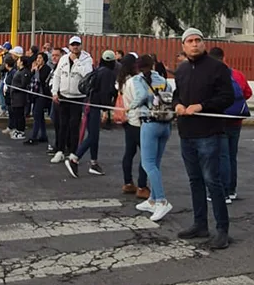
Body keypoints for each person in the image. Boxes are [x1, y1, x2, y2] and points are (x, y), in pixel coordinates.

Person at [174, 28, 235, 249]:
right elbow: (176, 95)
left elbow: (228, 97)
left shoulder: (217, 68)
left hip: (209, 133)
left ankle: (222, 230)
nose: (194, 44)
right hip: (186, 133)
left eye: (198, 40)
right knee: (195, 180)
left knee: (212, 181)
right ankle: (200, 224)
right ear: (183, 46)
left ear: (203, 43)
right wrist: (177, 105)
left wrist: (202, 106)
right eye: (190, 41)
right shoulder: (181, 71)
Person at [128, 55, 175, 222]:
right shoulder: (161, 79)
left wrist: (130, 107)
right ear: (153, 65)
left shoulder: (137, 80)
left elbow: (140, 96)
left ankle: (161, 200)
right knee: (156, 163)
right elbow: (169, 94)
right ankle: (152, 199)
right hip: (165, 124)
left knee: (148, 164)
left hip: (149, 123)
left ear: (138, 67)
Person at [208, 47, 252, 201]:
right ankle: (232, 190)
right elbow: (248, 93)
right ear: (224, 57)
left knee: (222, 156)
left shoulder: (214, 75)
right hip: (237, 120)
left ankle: (224, 192)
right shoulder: (237, 74)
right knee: (232, 156)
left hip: (221, 120)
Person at [65, 50, 118, 177]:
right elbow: (105, 93)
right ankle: (75, 158)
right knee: (93, 136)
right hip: (95, 106)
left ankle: (94, 163)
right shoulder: (108, 73)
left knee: (94, 135)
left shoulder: (99, 70)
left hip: (89, 103)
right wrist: (106, 110)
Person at [50, 36, 93, 164]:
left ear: (81, 45)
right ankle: (60, 151)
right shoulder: (63, 59)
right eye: (73, 44)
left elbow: (87, 74)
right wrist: (54, 92)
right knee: (62, 124)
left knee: (74, 125)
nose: (75, 47)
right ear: (69, 46)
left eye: (77, 44)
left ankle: (73, 151)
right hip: (63, 96)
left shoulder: (86, 59)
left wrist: (76, 62)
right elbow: (57, 75)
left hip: (77, 97)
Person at [119, 54, 149, 199]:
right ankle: (142, 186)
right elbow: (142, 97)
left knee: (129, 152)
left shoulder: (121, 81)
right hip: (139, 119)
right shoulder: (135, 81)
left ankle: (128, 182)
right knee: (145, 154)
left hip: (128, 119)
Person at [26, 52, 52, 145]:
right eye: (37, 58)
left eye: (40, 58)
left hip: (42, 95)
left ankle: (34, 136)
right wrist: (33, 70)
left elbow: (41, 80)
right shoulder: (36, 68)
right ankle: (43, 135)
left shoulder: (46, 69)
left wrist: (36, 71)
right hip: (35, 94)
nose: (38, 60)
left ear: (44, 60)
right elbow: (29, 78)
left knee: (36, 115)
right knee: (40, 116)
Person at [10, 56, 31, 141]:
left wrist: (14, 87)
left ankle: (21, 130)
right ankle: (17, 129)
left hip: (20, 97)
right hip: (15, 97)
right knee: (16, 113)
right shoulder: (19, 71)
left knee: (20, 114)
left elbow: (24, 84)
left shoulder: (25, 72)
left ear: (22, 62)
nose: (17, 62)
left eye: (19, 60)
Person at [47, 47, 64, 156]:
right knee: (56, 123)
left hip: (60, 99)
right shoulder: (54, 68)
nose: (54, 57)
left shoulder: (62, 68)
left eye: (57, 55)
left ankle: (61, 146)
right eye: (53, 55)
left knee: (61, 124)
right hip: (53, 98)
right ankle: (58, 144)